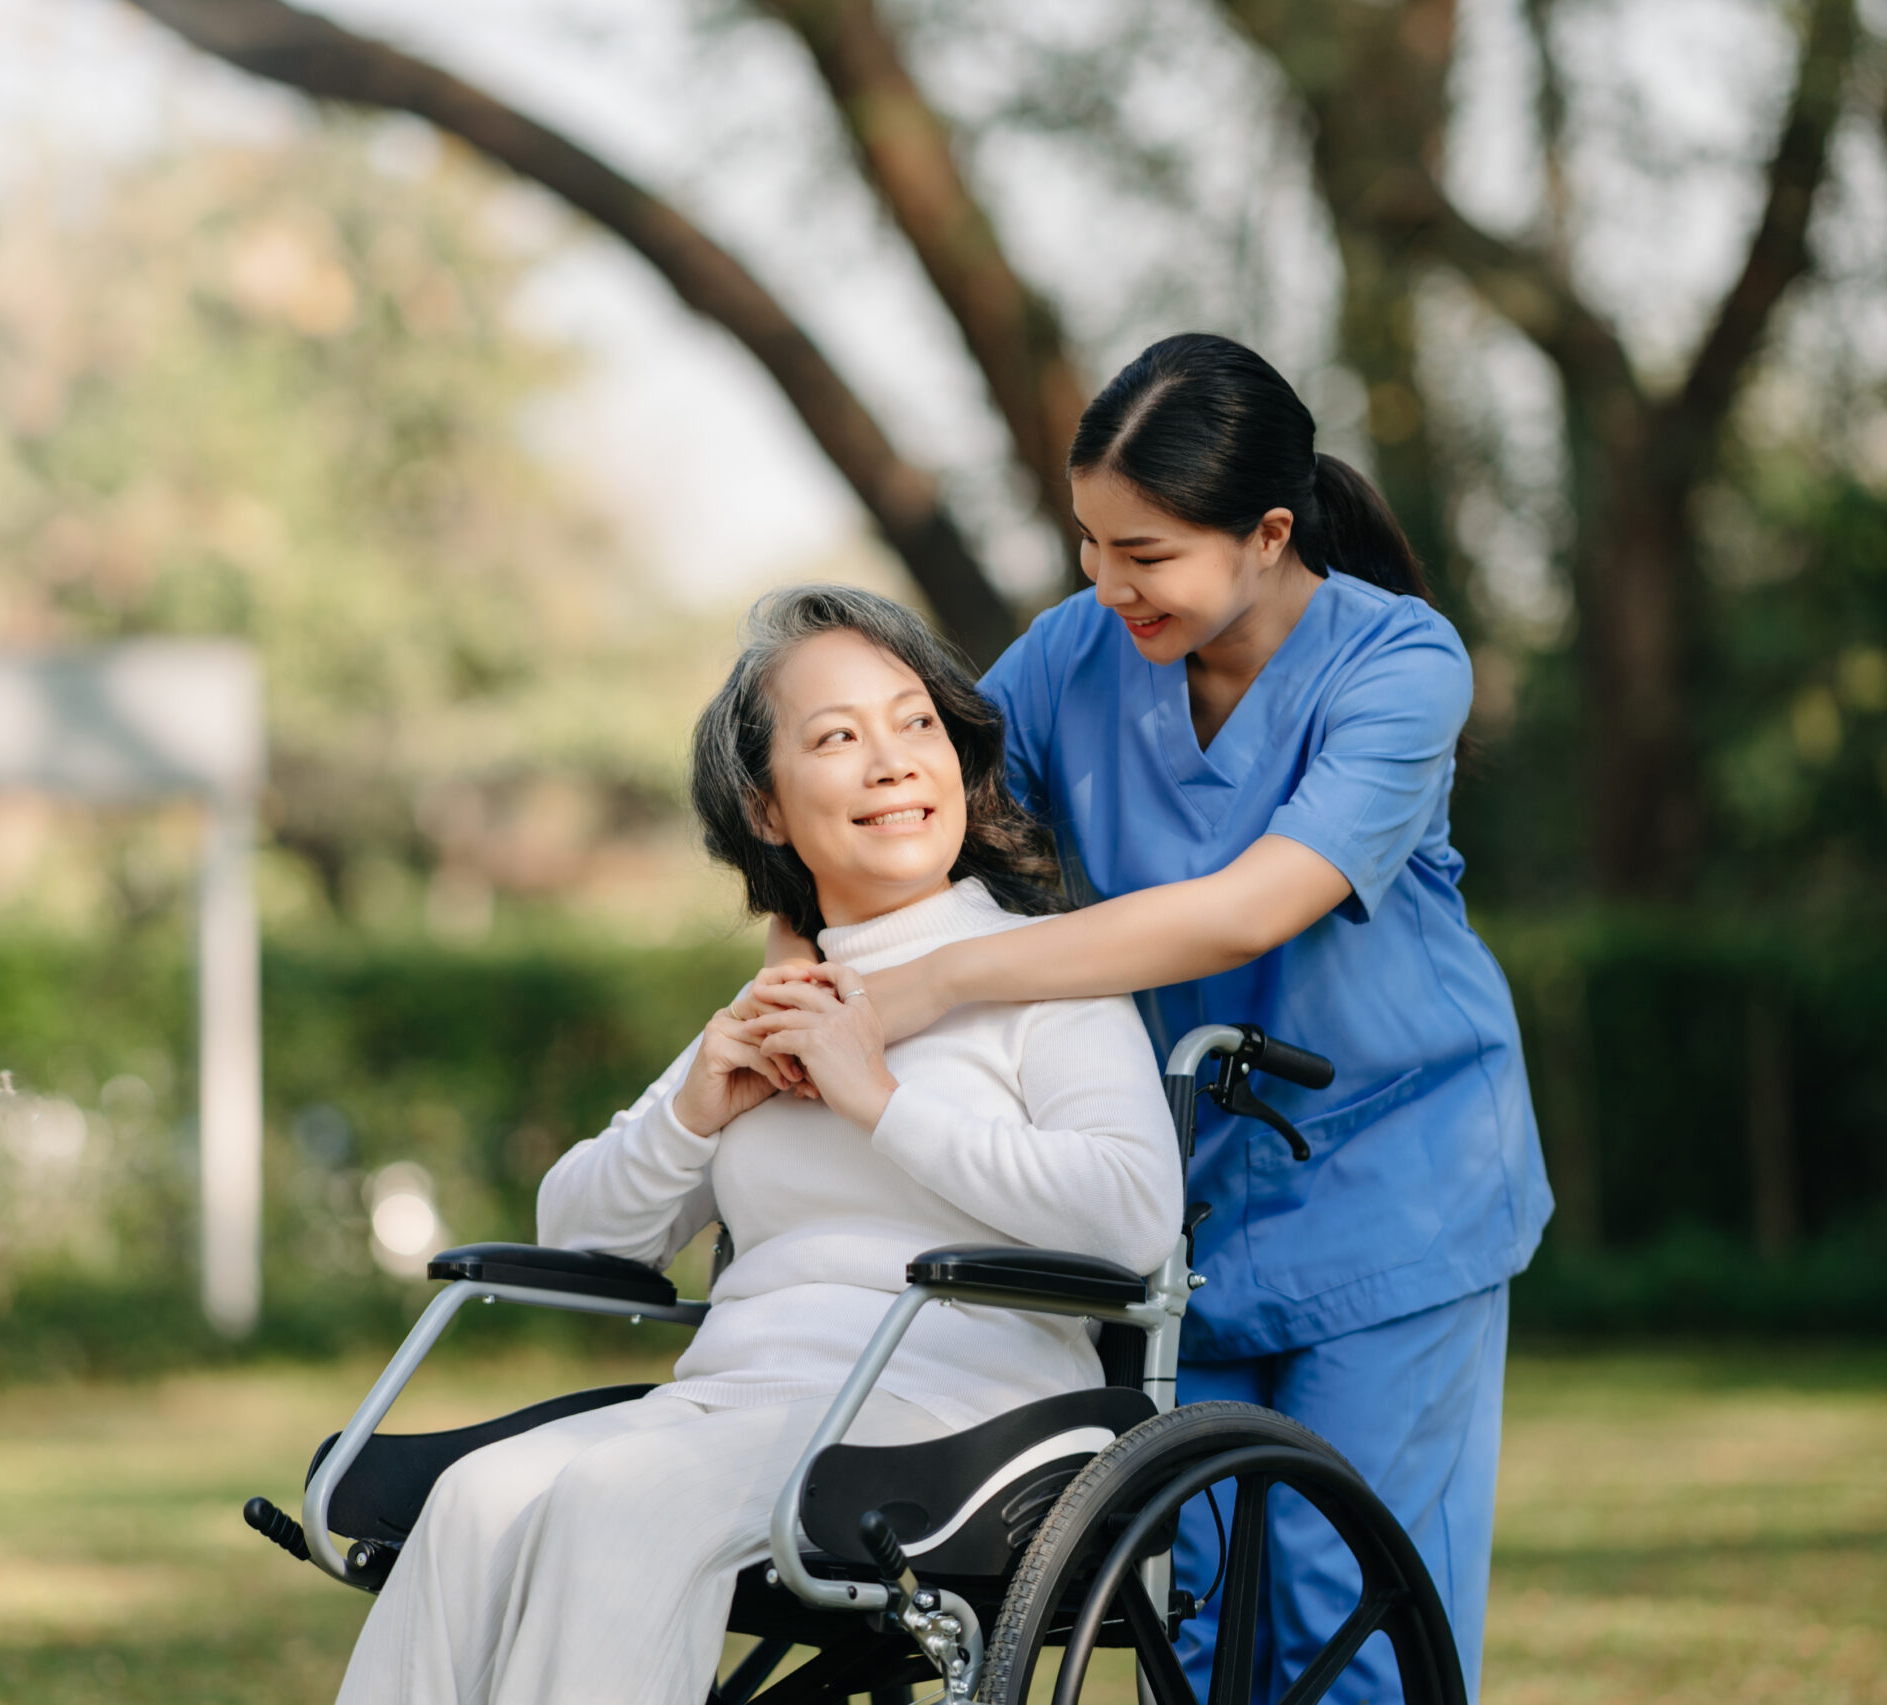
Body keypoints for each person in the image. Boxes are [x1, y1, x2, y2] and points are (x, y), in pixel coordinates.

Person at [745, 334, 1553, 1703]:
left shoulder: (1403, 666)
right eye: (1089, 544)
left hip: (1401, 1186)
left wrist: (936, 983)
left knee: (1334, 1610)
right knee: (1203, 1615)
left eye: (1147, 553)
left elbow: (1248, 909)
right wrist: (802, 943)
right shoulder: (1077, 654)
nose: (1108, 583)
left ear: (1270, 534)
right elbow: (909, 810)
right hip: (1193, 1197)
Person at [334, 585, 1181, 1705]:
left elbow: (1132, 1215)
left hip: (961, 1412)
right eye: (837, 737)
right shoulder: (779, 1001)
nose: (891, 761)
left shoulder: (1039, 972)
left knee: (620, 1497)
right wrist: (695, 1105)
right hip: (738, 1399)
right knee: (476, 1500)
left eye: (914, 721)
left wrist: (878, 1100)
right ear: (768, 810)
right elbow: (578, 1231)